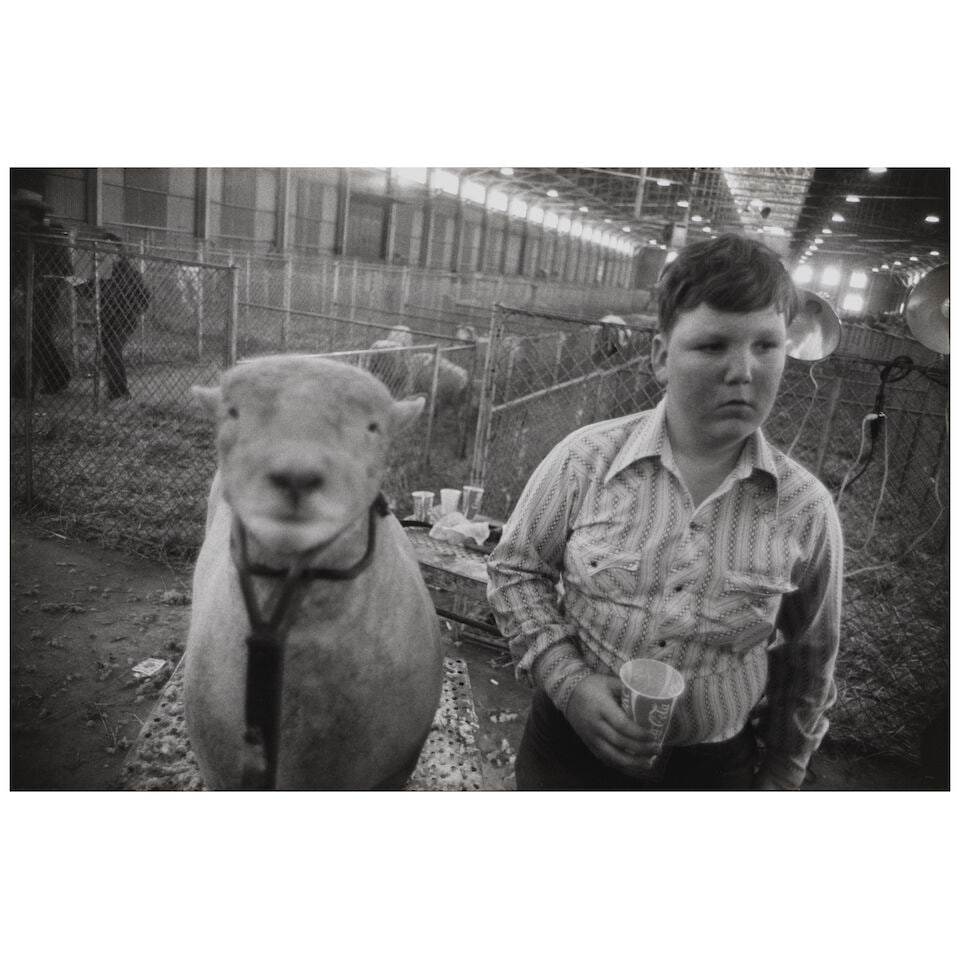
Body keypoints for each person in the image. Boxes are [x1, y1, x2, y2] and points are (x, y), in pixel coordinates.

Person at [486, 233, 843, 790]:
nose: (743, 371)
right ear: (660, 356)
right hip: (567, 747)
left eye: (766, 346)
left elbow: (808, 660)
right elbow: (516, 570)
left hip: (712, 770)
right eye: (712, 345)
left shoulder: (805, 510)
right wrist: (569, 681)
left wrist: (781, 775)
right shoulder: (586, 460)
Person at [11, 189, 74, 397]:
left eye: (19, 210)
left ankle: (25, 384)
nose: (15, 213)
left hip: (44, 289)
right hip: (36, 288)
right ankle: (55, 377)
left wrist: (41, 282)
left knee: (35, 334)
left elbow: (61, 267)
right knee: (38, 335)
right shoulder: (32, 233)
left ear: (28, 212)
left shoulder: (44, 234)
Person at [74, 234, 151, 400]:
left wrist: (132, 310)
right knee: (109, 354)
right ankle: (116, 392)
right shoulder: (100, 273)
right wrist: (76, 277)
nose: (105, 253)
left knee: (112, 352)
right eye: (102, 249)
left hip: (124, 320)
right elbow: (86, 291)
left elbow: (145, 298)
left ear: (118, 252)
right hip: (107, 319)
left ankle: (120, 393)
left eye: (110, 249)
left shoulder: (130, 273)